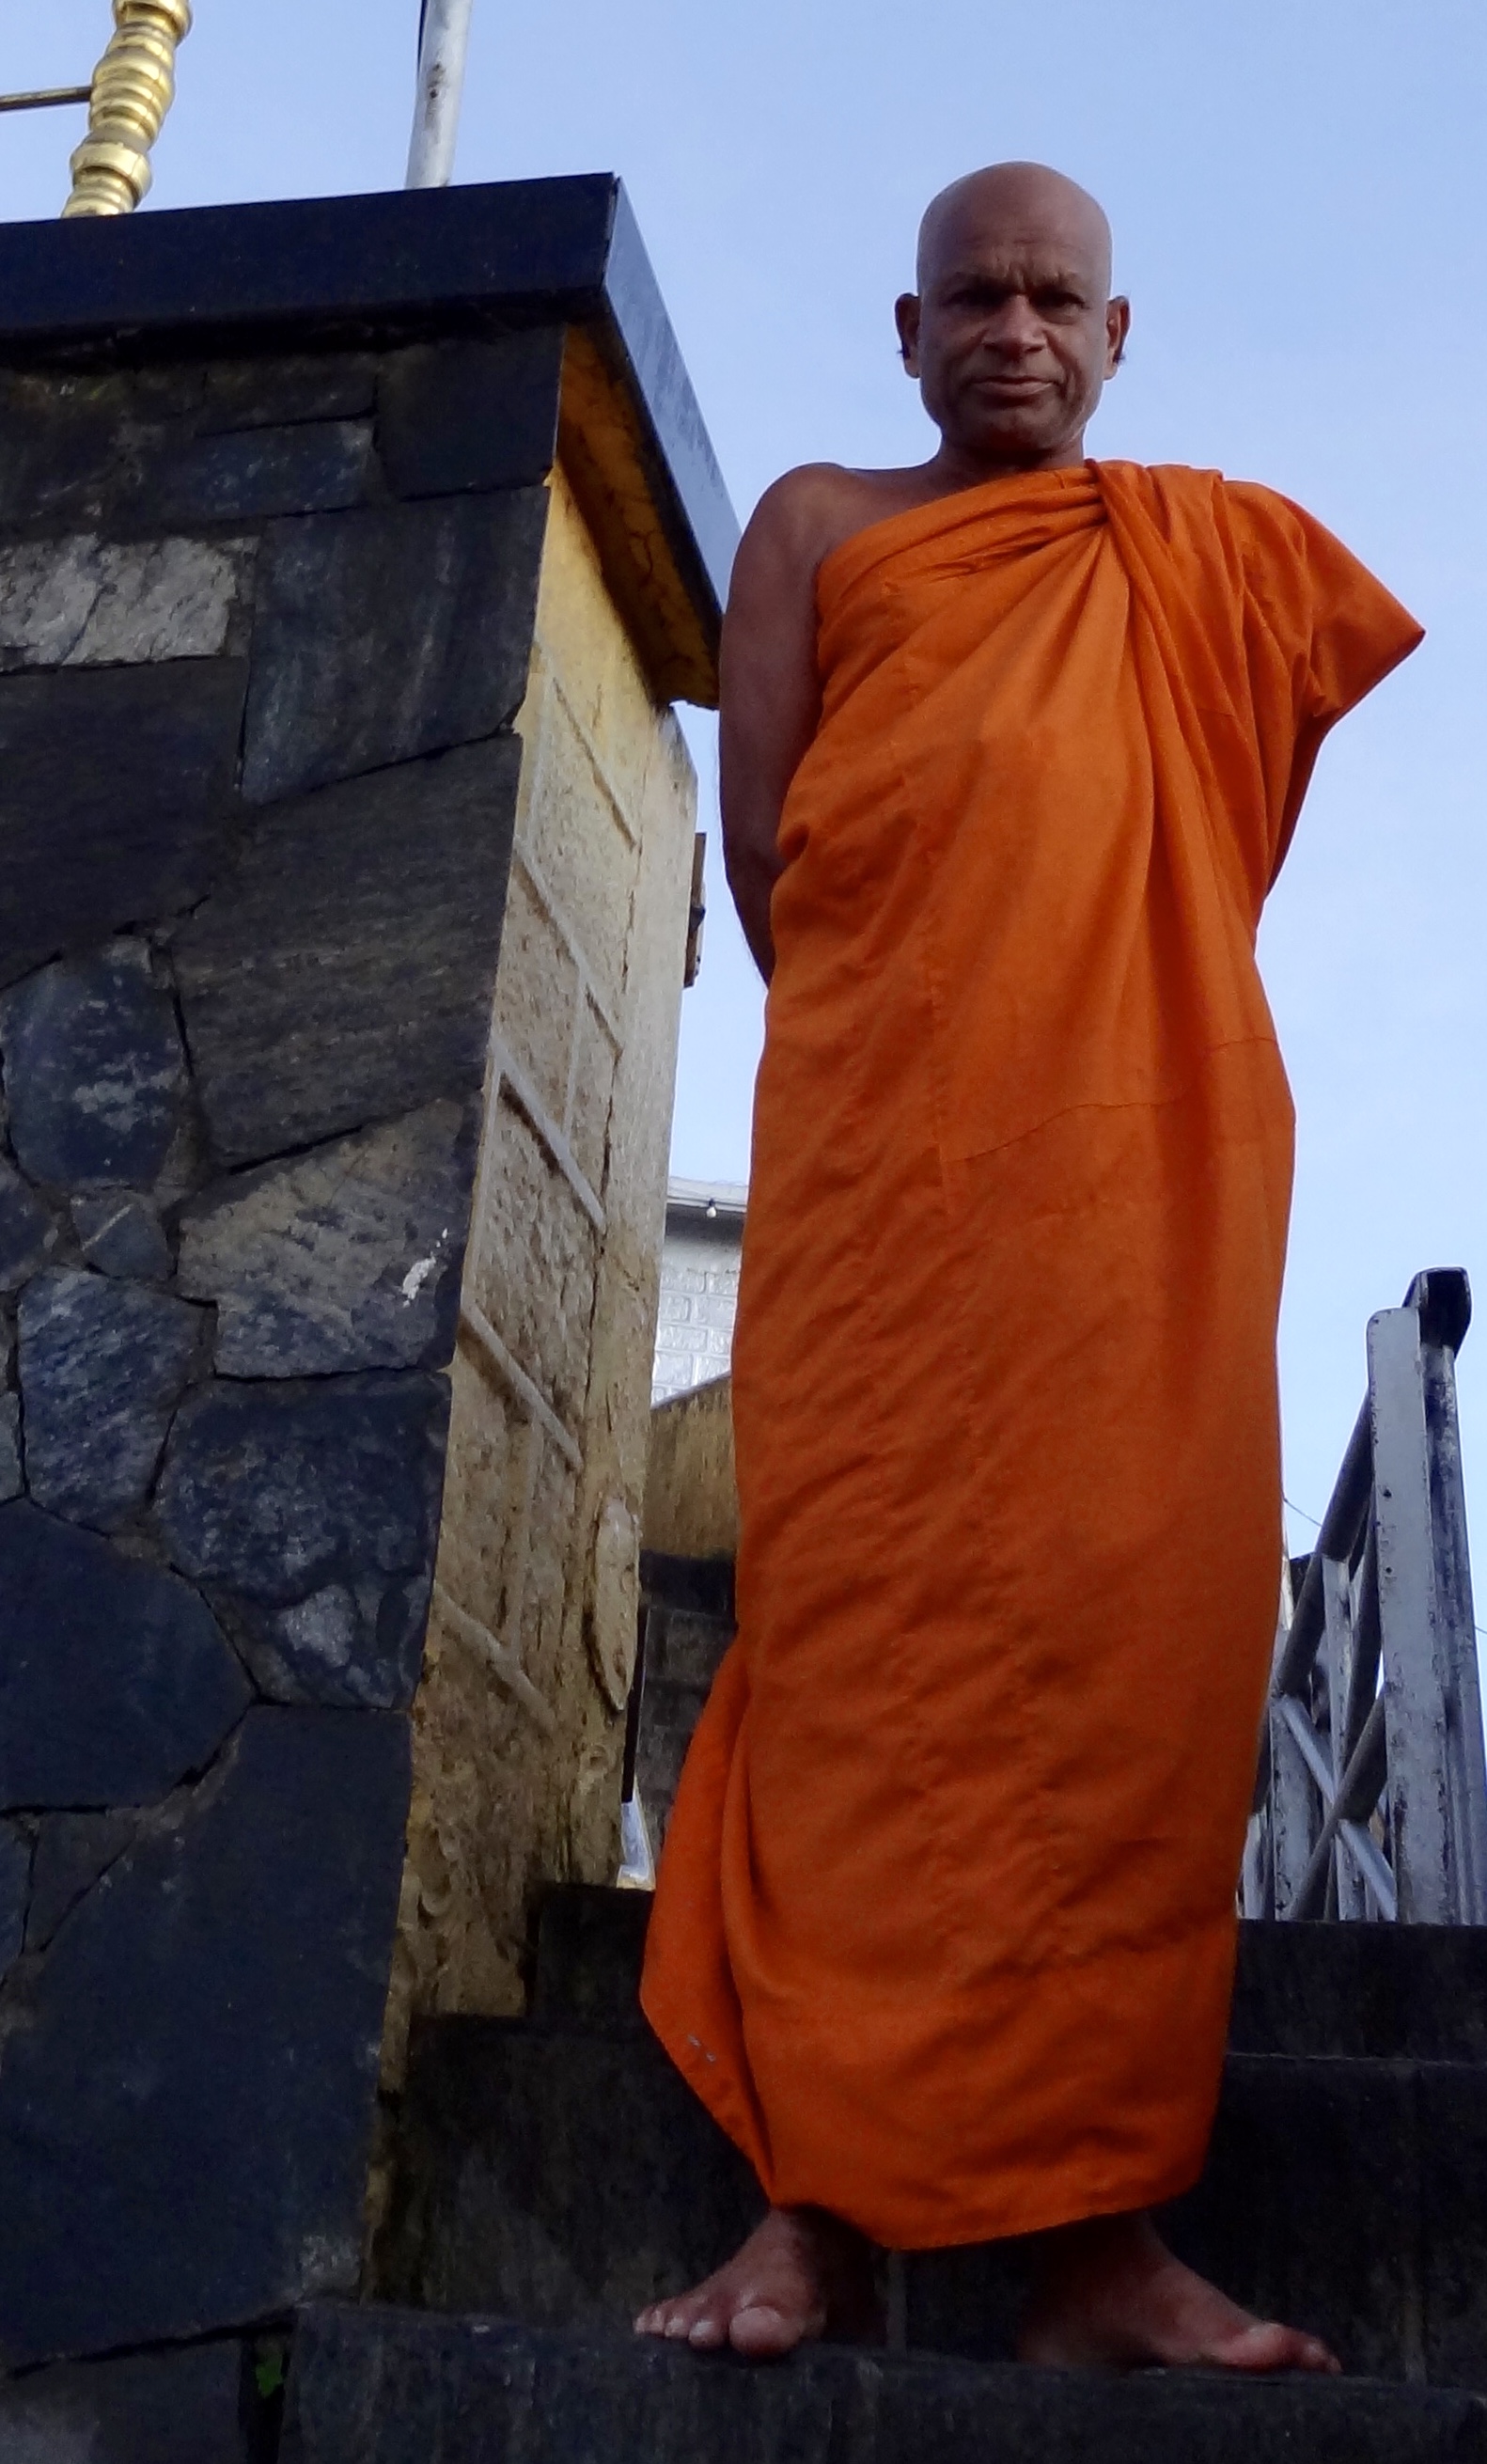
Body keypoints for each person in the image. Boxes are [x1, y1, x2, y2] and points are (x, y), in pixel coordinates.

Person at [635, 161, 1421, 2372]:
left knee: (1125, 1663)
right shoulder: (817, 527)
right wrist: (941, 1025)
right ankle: (810, 2220)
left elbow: (1178, 832)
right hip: (883, 1185)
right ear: (903, 333)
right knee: (853, 1657)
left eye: (1052, 297)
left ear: (1113, 333)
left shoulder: (1196, 557)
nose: (1012, 329)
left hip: (1130, 1183)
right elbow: (775, 860)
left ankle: (1096, 2253)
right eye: (970, 296)